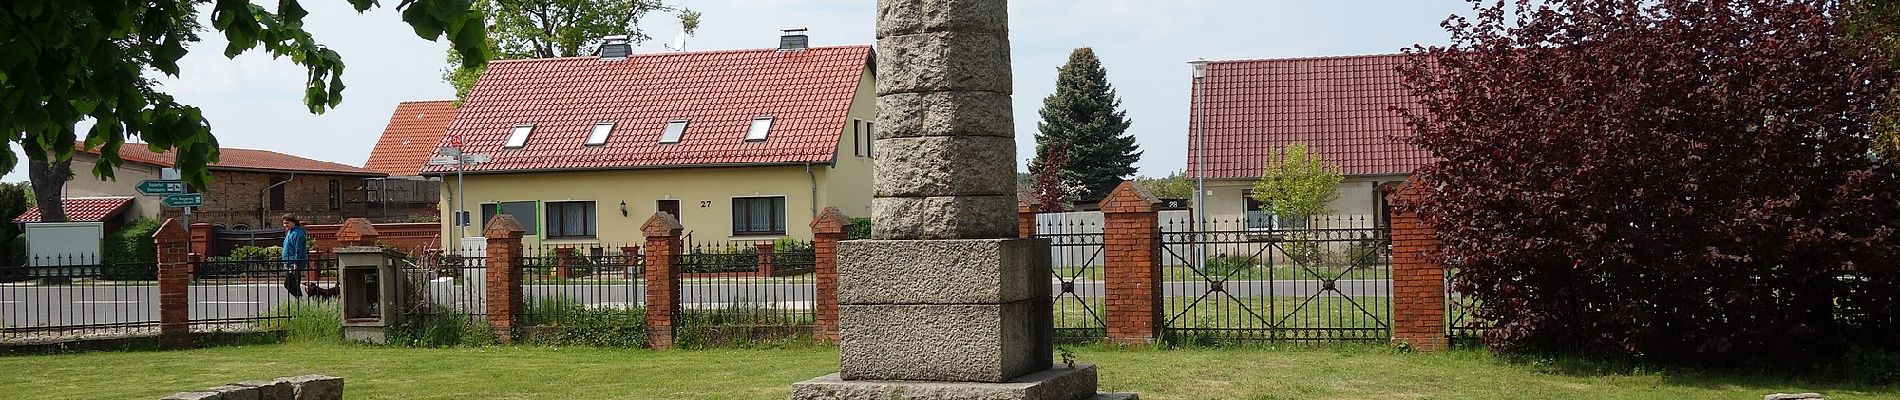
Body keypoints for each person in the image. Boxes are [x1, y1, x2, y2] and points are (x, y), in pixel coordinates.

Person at [281, 214, 309, 298]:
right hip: (289, 262)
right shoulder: (290, 232)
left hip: (294, 263)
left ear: (294, 222)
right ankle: (299, 301)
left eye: (287, 223)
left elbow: (298, 250)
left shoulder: (297, 234)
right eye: (284, 223)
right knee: (293, 284)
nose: (285, 225)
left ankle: (299, 299)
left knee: (289, 284)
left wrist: (295, 263)